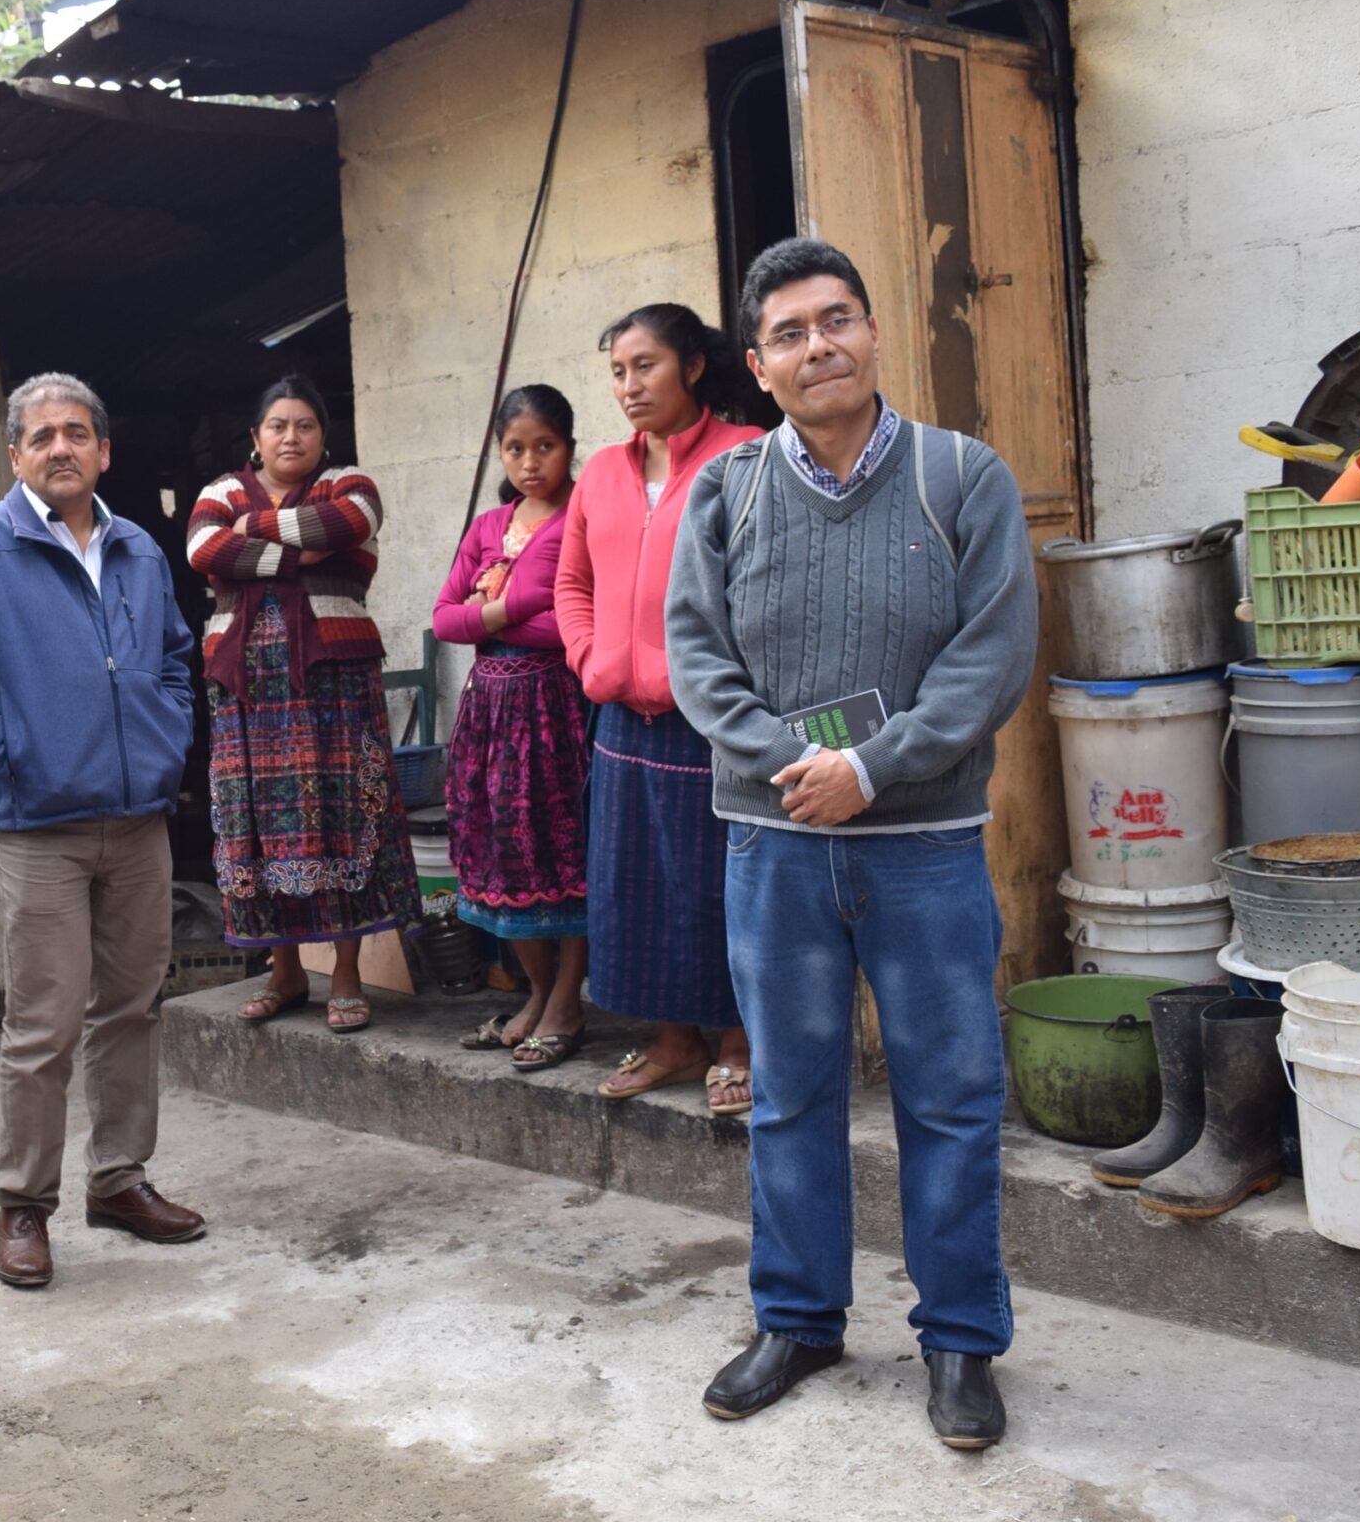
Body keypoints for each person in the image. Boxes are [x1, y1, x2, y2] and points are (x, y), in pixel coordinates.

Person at [668, 237, 1037, 1451]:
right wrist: (795, 769)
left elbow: (989, 656)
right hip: (774, 847)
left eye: (836, 319)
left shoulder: (960, 477)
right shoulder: (725, 492)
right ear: (757, 365)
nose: (817, 345)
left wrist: (869, 767)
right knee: (790, 1092)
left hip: (921, 841)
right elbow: (698, 659)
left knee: (950, 1093)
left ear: (874, 333)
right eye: (788, 331)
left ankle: (961, 1342)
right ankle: (798, 1319)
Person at [0, 373, 204, 1291]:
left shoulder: (141, 552)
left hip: (139, 819)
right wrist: (17, 750)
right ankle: (23, 1207)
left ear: (103, 450)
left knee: (133, 1007)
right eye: (41, 436)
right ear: (15, 456)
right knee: (41, 1025)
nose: (60, 448)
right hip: (41, 825)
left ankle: (119, 1178)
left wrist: (166, 744)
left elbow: (173, 661)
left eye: (77, 432)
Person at [556, 305, 766, 1114]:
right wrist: (589, 655)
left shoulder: (743, 458)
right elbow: (571, 584)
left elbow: (767, 586)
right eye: (617, 370)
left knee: (719, 884)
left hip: (711, 719)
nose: (629, 385)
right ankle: (676, 1040)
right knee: (637, 883)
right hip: (620, 719)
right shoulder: (601, 475)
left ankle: (740, 1040)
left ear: (692, 366)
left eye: (645, 365)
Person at [189, 374, 421, 1033]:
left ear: (324, 436)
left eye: (305, 425)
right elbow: (205, 547)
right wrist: (298, 555)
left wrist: (254, 533)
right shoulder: (219, 491)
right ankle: (285, 971)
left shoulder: (350, 485)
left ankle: (346, 975)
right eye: (277, 425)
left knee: (342, 815)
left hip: (333, 679)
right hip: (244, 687)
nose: (291, 435)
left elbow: (349, 524)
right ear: (255, 439)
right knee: (258, 827)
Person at [431, 386, 593, 1071]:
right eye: (516, 448)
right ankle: (535, 989)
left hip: (555, 706)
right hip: (490, 711)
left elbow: (572, 621)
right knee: (503, 846)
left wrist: (494, 604)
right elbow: (444, 619)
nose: (531, 462)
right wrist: (505, 613)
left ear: (569, 448)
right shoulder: (489, 526)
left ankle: (567, 999)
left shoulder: (580, 517)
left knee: (562, 846)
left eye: (546, 447)